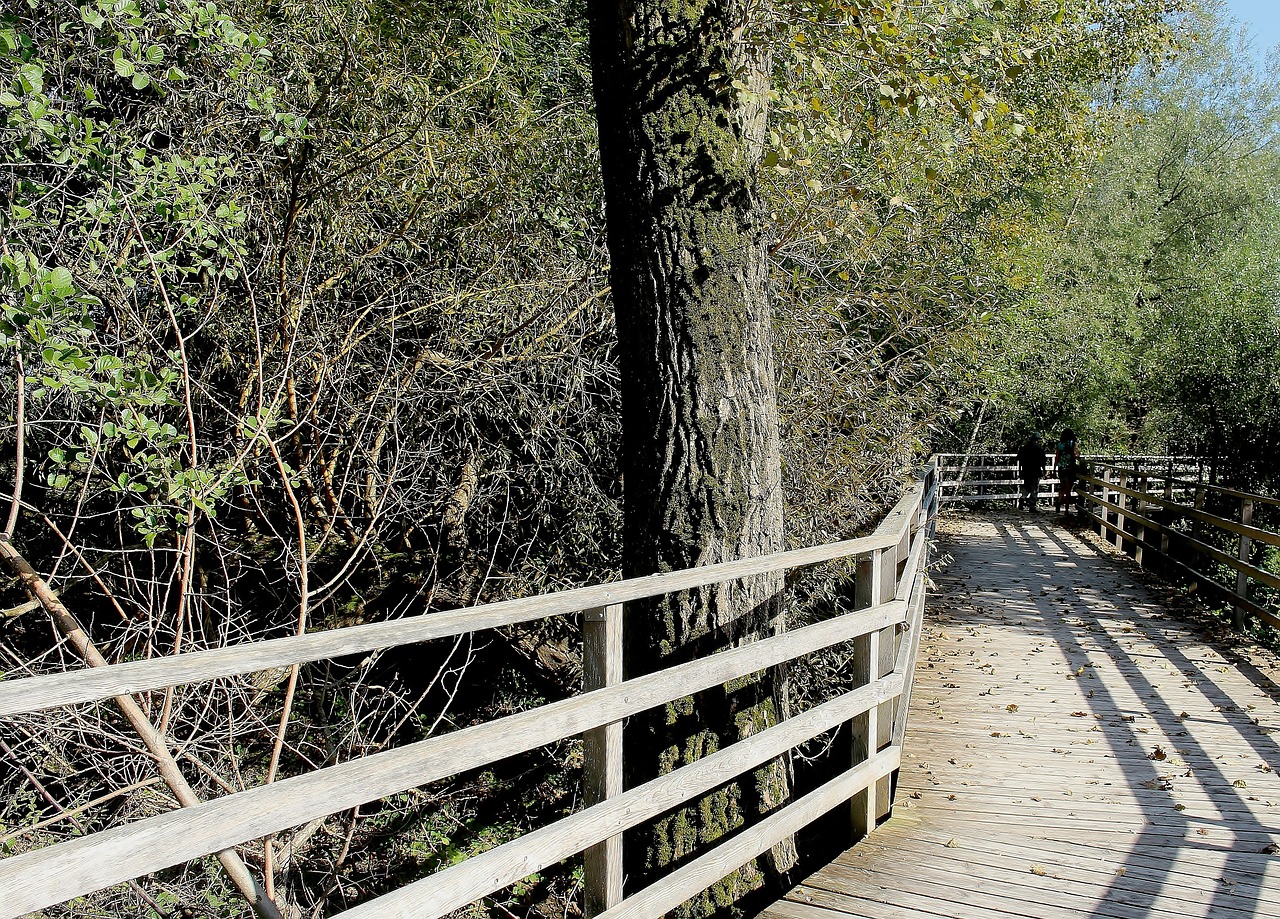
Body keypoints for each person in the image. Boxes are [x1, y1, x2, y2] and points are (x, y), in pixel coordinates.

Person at [1016, 433, 1046, 511]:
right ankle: (1032, 505)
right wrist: (1044, 471)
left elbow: (1019, 460)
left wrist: (1020, 471)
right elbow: (1043, 462)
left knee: (1026, 486)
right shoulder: (1039, 449)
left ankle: (1022, 499)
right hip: (1035, 470)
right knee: (1034, 487)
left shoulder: (1024, 448)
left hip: (1026, 470)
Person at [1054, 428, 1080, 513]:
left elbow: (1057, 457)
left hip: (1061, 468)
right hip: (1070, 467)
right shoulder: (1073, 444)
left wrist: (1055, 468)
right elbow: (1076, 455)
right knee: (1068, 488)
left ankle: (1058, 502)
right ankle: (1066, 508)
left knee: (1062, 486)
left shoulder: (1060, 444)